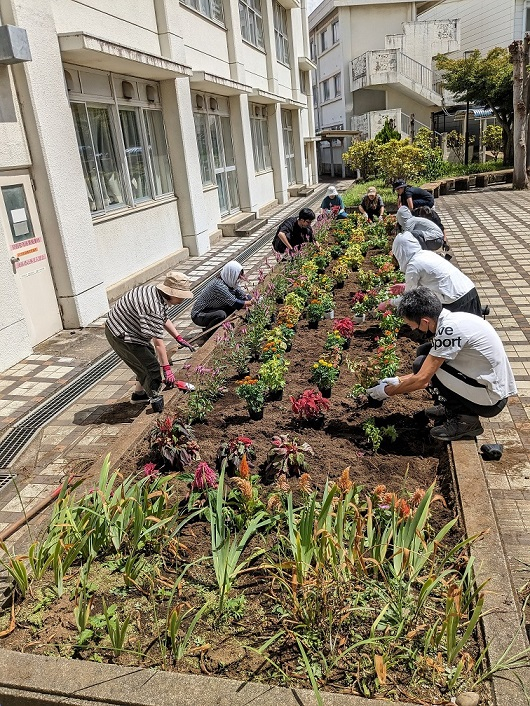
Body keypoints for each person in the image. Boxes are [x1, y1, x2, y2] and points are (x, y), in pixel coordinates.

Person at [366, 287, 517, 441]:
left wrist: (385, 392)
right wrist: (398, 380)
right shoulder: (454, 318)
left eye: (413, 325)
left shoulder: (450, 330)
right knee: (425, 352)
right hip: (487, 386)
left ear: (425, 321)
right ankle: (450, 407)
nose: (413, 329)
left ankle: (465, 421)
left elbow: (422, 379)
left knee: (421, 363)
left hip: (490, 400)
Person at [105, 272, 195, 413]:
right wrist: (167, 370)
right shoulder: (152, 306)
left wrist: (178, 337)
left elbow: (163, 318)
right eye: (181, 296)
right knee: (152, 366)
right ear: (172, 293)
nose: (183, 299)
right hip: (120, 333)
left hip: (130, 328)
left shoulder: (157, 294)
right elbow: (159, 343)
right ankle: (155, 400)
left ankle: (138, 395)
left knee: (146, 359)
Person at [380, 231, 482, 316]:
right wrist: (405, 286)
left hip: (457, 300)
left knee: (460, 334)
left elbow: (409, 298)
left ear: (400, 252)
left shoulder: (413, 265)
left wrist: (390, 303)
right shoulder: (425, 254)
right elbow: (432, 278)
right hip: (469, 290)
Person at [191, 260, 252, 332]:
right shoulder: (218, 286)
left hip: (215, 307)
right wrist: (252, 302)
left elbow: (243, 296)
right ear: (231, 274)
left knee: (246, 300)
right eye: (238, 277)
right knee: (221, 315)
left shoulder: (231, 282)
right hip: (200, 314)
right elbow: (236, 303)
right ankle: (208, 333)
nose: (238, 279)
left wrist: (250, 299)